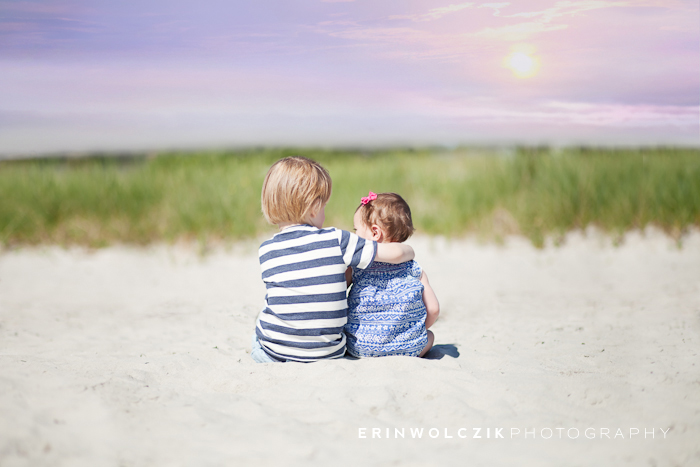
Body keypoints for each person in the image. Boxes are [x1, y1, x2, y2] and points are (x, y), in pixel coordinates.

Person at [251, 158, 415, 363]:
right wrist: (409, 251)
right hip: (329, 353)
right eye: (324, 207)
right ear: (313, 208)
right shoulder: (337, 239)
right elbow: (394, 253)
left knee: (259, 327)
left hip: (274, 354)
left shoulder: (266, 249)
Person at [345, 192, 440, 358]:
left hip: (361, 347)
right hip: (408, 348)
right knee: (430, 337)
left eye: (356, 230)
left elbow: (336, 292)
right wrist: (414, 331)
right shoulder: (415, 269)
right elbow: (433, 309)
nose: (354, 235)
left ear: (375, 233)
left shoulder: (357, 267)